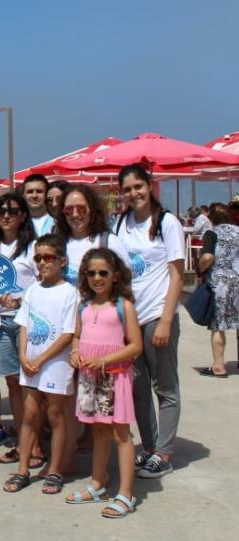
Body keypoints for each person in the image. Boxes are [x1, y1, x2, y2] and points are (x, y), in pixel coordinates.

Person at [113, 164, 185, 479]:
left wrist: (167, 320)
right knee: (138, 387)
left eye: (138, 187)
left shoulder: (167, 222)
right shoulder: (121, 223)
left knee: (164, 386)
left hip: (158, 313)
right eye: (127, 189)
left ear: (149, 185)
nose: (134, 194)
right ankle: (151, 447)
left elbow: (177, 274)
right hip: (131, 318)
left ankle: (164, 453)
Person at [68, 248, 143, 519]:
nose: (97, 278)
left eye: (103, 273)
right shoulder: (84, 307)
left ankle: (126, 493)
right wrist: (75, 352)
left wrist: (106, 360)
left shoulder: (123, 306)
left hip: (114, 376)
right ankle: (98, 483)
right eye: (91, 273)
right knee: (98, 431)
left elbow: (135, 345)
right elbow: (77, 337)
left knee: (120, 434)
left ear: (115, 276)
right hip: (89, 377)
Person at [3, 234, 78, 495]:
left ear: (62, 261)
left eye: (48, 258)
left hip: (55, 364)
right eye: (38, 258)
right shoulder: (32, 290)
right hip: (30, 364)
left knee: (55, 415)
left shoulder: (70, 292)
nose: (43, 263)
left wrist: (42, 359)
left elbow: (68, 333)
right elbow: (23, 324)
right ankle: (23, 469)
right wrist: (23, 356)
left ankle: (55, 469)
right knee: (30, 414)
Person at [0, 193, 39, 459]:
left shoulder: (34, 248)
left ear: (23, 215)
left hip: (28, 323)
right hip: (0, 324)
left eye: (13, 211)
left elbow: (45, 285)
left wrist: (21, 299)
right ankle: (23, 442)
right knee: (14, 383)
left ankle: (36, 443)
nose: (6, 215)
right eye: (2, 211)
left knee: (32, 384)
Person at [55, 185, 131, 286]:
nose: (75, 214)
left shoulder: (110, 242)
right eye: (69, 210)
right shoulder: (58, 243)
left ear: (92, 209)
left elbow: (126, 281)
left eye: (81, 208)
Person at [197, 202, 239, 377]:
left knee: (218, 325)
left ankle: (219, 367)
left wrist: (200, 268)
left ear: (212, 219)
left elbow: (207, 257)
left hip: (221, 284)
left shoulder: (212, 233)